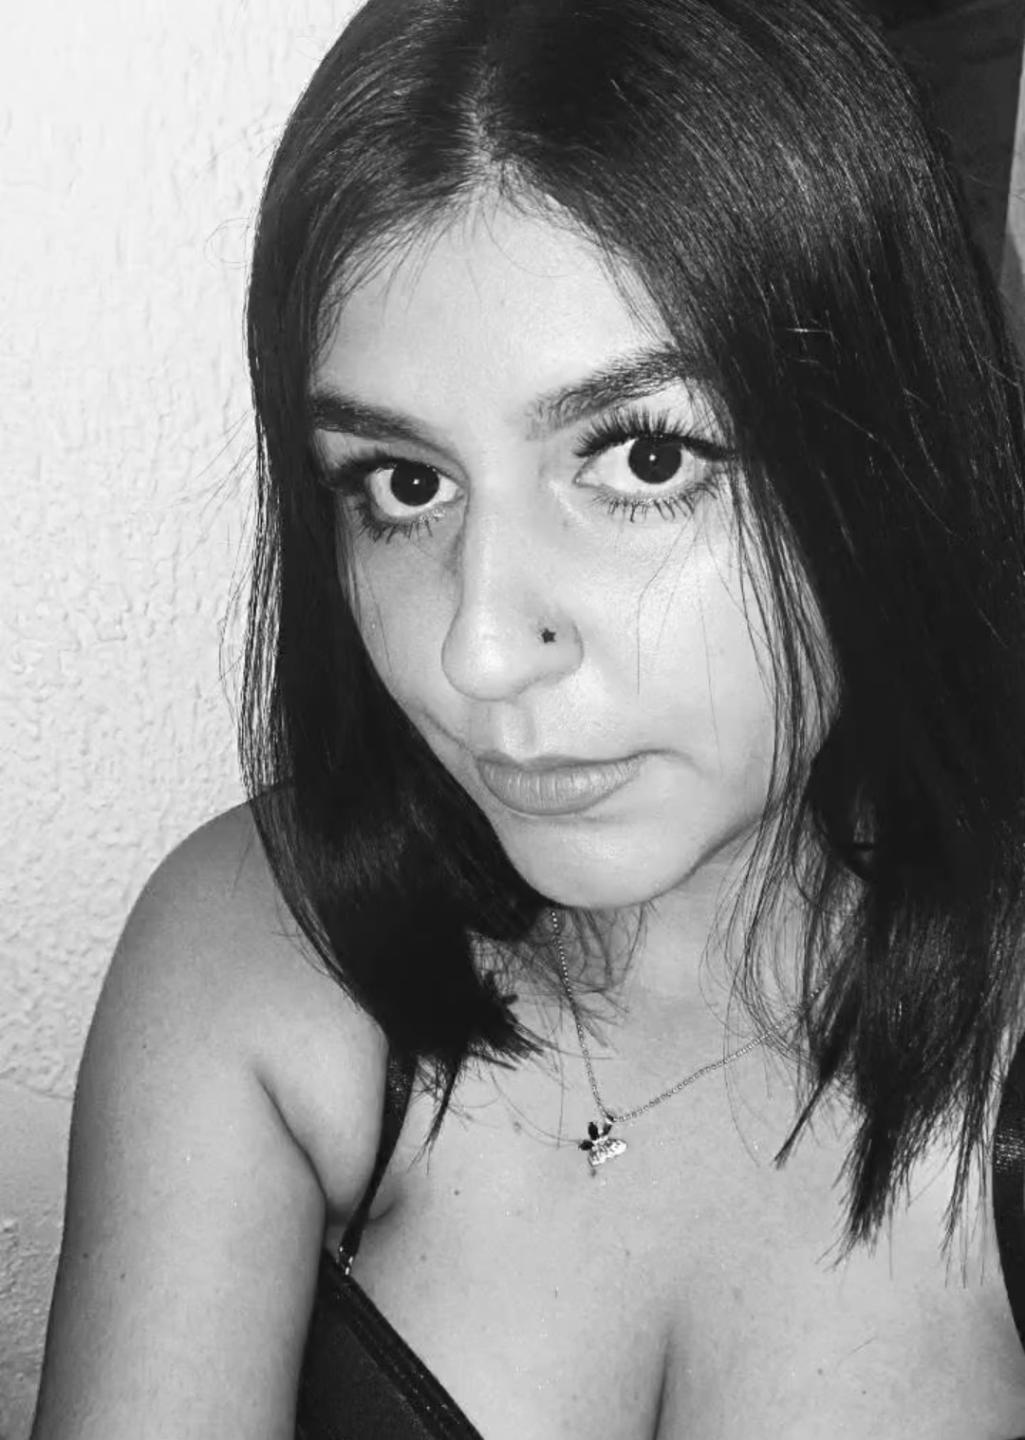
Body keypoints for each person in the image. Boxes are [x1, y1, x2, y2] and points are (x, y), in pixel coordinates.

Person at [29, 0, 1025, 1435]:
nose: (480, 649)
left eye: (645, 458)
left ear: (886, 445)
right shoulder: (258, 955)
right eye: (404, 485)